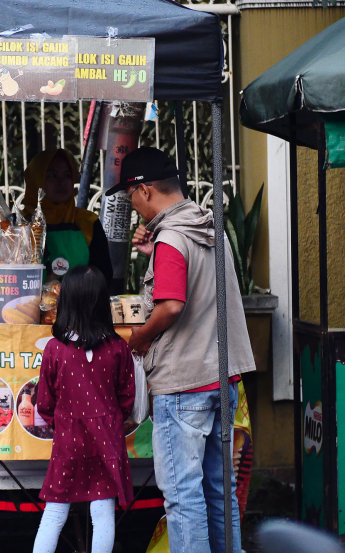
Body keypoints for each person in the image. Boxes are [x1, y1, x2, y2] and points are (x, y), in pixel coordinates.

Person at [107, 147, 256, 553]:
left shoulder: (172, 238)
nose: (133, 207)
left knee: (183, 495)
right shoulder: (209, 229)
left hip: (185, 384)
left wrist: (139, 338)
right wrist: (153, 252)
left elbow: (171, 305)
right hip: (220, 378)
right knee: (219, 489)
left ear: (146, 190)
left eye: (131, 197)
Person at [33, 265, 135, 553]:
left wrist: (64, 423)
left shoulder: (55, 349)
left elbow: (43, 402)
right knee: (103, 513)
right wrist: (110, 420)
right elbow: (127, 397)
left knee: (54, 513)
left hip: (68, 440)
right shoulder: (118, 348)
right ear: (103, 302)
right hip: (108, 439)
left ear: (66, 302)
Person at [22, 149, 112, 286]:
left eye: (67, 175)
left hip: (79, 305)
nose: (61, 182)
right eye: (52, 175)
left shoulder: (88, 222)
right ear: (35, 179)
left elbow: (103, 278)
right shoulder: (18, 226)